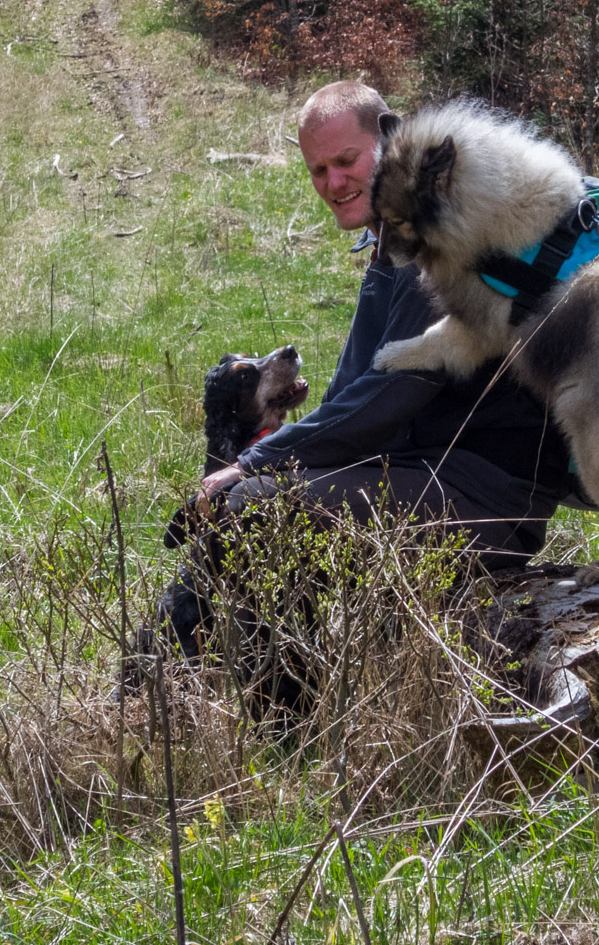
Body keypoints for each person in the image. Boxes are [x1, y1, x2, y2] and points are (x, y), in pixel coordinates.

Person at [157, 80, 577, 682]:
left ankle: (283, 711)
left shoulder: (439, 248)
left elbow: (393, 395)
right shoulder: (389, 248)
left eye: (347, 160)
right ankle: (231, 687)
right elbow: (357, 388)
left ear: (390, 145)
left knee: (254, 507)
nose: (333, 183)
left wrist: (254, 464)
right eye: (318, 170)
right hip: (427, 476)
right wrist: (285, 459)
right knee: (257, 504)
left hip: (488, 496)